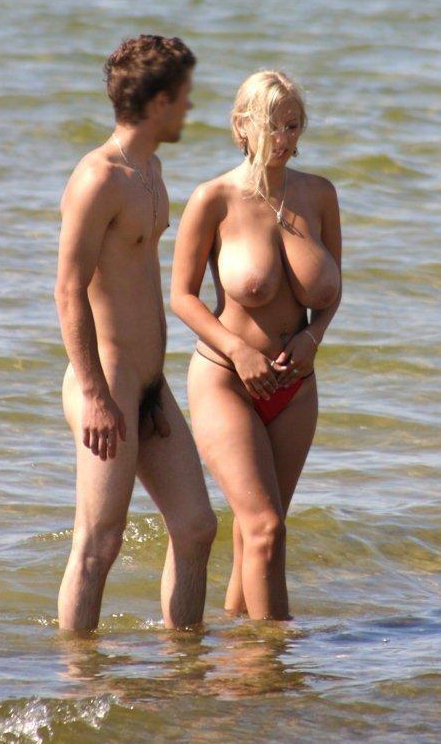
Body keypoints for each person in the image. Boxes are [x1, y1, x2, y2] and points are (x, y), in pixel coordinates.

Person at [55, 35, 216, 632]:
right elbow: (67, 290)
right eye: (184, 96)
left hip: (149, 382)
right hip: (107, 379)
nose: (190, 108)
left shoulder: (150, 168)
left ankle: (182, 668)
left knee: (196, 527)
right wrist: (96, 395)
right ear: (159, 101)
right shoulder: (97, 178)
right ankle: (79, 677)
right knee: (99, 542)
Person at [171, 70, 341, 621]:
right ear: (242, 125)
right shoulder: (213, 198)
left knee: (259, 534)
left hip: (296, 386)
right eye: (274, 125)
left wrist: (314, 336)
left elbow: (333, 291)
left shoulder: (319, 195)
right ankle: (276, 662)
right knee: (266, 528)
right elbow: (182, 297)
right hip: (227, 381)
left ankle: (239, 656)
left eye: (294, 125)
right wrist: (239, 351)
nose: (285, 138)